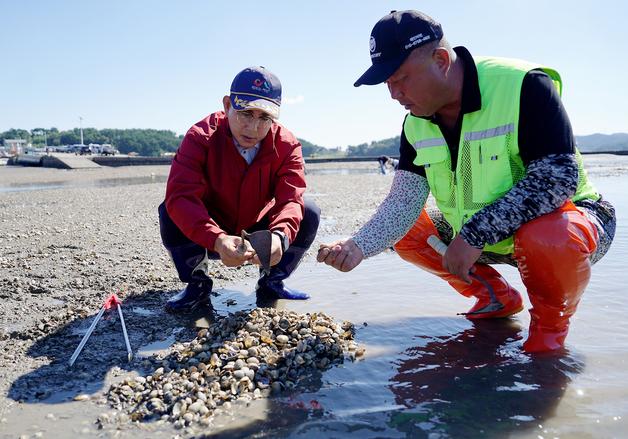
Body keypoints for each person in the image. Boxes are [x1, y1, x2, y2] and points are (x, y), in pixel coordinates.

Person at [317, 10, 616, 353]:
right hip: (483, 242)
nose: (393, 94)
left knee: (549, 237)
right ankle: (496, 297)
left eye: (400, 78)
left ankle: (547, 342)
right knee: (409, 232)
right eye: (387, 83)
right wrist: (357, 247)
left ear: (441, 59)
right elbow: (403, 203)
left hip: (571, 226)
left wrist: (476, 233)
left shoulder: (523, 85)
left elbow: (557, 178)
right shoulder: (415, 123)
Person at [159, 66, 320, 313]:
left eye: (264, 118)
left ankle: (272, 281)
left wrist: (279, 236)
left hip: (259, 231)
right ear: (227, 105)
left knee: (308, 210)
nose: (253, 128)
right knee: (170, 209)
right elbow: (181, 196)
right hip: (210, 229)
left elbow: (291, 199)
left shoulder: (287, 145)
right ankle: (197, 285)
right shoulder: (200, 136)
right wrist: (217, 238)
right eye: (245, 113)